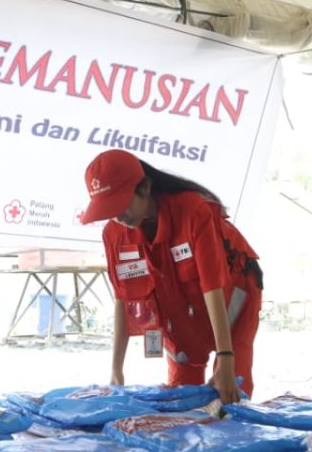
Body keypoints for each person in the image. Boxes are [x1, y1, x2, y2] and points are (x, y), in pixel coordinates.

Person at [80, 149, 263, 403]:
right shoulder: (115, 235)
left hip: (232, 297)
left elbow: (213, 285)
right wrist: (116, 371)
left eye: (121, 205)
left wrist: (225, 357)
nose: (119, 217)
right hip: (180, 309)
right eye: (109, 210)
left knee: (229, 395)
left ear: (144, 187)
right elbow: (123, 301)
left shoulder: (192, 211)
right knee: (180, 400)